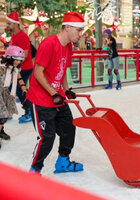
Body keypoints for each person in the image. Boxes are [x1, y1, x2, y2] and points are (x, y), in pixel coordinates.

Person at [26, 12, 86, 174]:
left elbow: (62, 70)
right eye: (78, 30)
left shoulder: (68, 46)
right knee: (47, 137)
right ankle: (34, 170)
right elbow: (38, 73)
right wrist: (54, 93)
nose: (81, 34)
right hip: (41, 99)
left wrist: (66, 90)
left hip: (57, 96)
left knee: (69, 128)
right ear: (67, 27)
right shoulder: (49, 44)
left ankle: (62, 162)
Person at [6, 12, 33, 123]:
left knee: (18, 89)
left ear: (15, 24)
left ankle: (30, 111)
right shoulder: (14, 35)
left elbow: (25, 55)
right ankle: (8, 112)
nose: (7, 26)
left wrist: (15, 66)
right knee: (8, 88)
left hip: (24, 68)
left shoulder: (22, 36)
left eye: (9, 23)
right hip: (16, 67)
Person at [0, 46, 27, 146]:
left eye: (20, 60)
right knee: (3, 115)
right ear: (10, 58)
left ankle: (1, 130)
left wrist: (24, 88)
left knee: (7, 112)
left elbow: (19, 77)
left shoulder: (14, 68)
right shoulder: (2, 67)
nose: (18, 62)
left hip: (4, 92)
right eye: (16, 59)